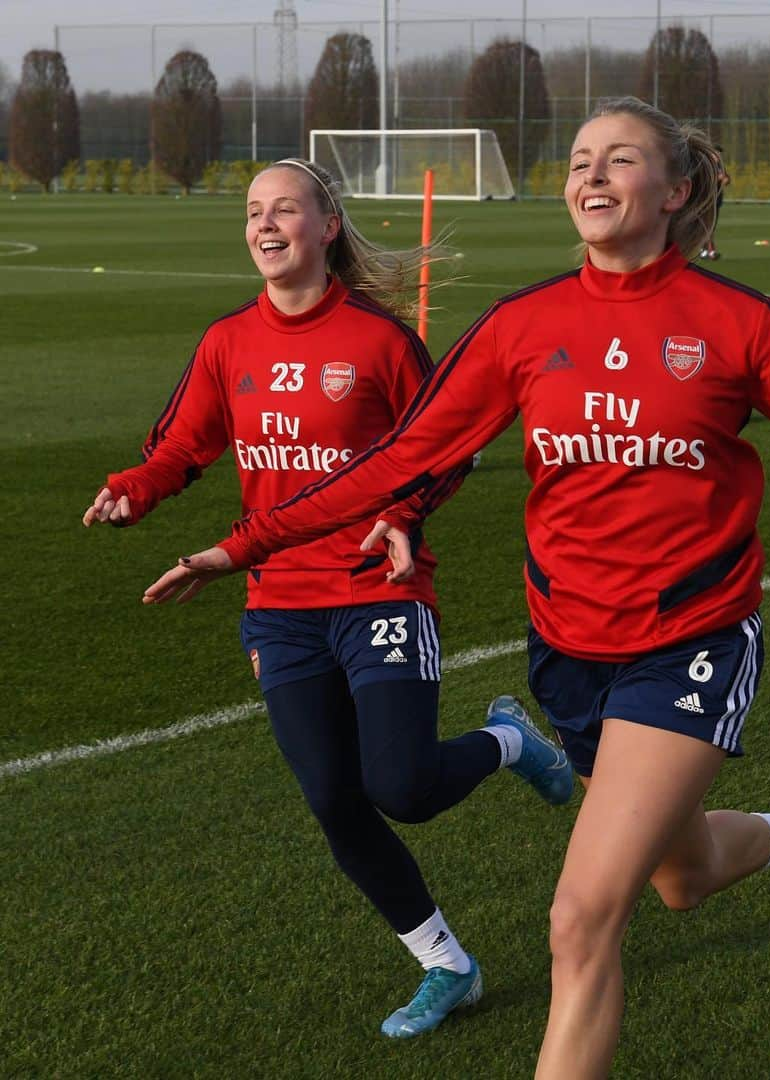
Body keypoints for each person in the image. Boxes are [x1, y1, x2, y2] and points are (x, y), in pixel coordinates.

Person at [144, 100, 770, 1078]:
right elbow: (401, 460)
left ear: (674, 190)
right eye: (581, 159)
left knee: (581, 920)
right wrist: (240, 548)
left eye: (621, 159)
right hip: (570, 651)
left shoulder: (733, 322)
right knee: (681, 875)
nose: (593, 174)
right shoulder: (524, 327)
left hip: (692, 639)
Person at [83, 157, 573, 1040]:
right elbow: (180, 447)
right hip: (280, 607)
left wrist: (401, 515)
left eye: (285, 209)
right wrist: (134, 490)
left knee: (403, 787)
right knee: (333, 801)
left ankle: (507, 739)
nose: (265, 224)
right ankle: (445, 965)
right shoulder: (227, 342)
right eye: (253, 211)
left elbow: (446, 447)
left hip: (378, 592)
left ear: (327, 227)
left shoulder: (381, 343)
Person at [699, 146, 731, 260]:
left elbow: (727, 178)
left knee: (710, 227)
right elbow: (703, 179)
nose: (718, 156)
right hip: (707, 201)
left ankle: (704, 251)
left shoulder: (720, 166)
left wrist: (726, 179)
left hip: (717, 200)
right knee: (708, 226)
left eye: (719, 154)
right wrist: (717, 178)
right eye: (716, 154)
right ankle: (710, 251)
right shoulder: (706, 166)